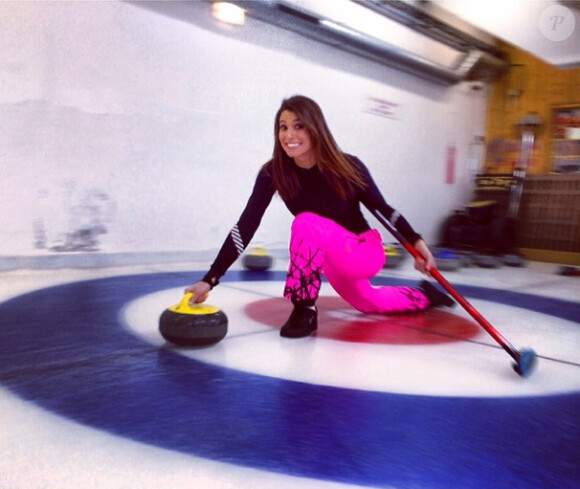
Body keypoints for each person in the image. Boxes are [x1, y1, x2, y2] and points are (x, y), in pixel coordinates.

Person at [185, 95, 454, 338]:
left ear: (315, 128)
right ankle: (424, 295)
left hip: (363, 251)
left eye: (298, 125)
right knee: (371, 302)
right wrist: (210, 278)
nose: (289, 134)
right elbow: (246, 226)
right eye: (283, 127)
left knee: (305, 222)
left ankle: (304, 309)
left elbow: (384, 210)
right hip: (332, 259)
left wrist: (416, 243)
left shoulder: (348, 166)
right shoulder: (273, 173)